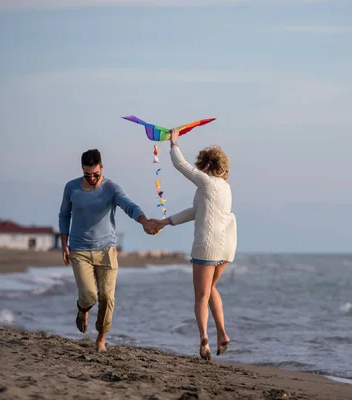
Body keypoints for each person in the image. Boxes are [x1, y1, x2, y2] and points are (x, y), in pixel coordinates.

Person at [149, 128, 237, 360]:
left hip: (207, 247)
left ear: (206, 165)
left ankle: (204, 341)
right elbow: (194, 212)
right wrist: (165, 222)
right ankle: (222, 334)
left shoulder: (207, 183)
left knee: (200, 295)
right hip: (226, 247)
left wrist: (174, 143)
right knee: (211, 290)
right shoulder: (223, 188)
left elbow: (182, 166)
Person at [58, 148, 155, 352]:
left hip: (106, 250)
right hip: (79, 249)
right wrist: (64, 242)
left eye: (96, 174)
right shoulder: (71, 188)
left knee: (107, 298)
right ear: (82, 170)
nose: (92, 178)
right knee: (89, 294)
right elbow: (64, 215)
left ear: (102, 167)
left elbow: (130, 206)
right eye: (87, 175)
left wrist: (144, 221)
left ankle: (101, 338)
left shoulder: (111, 188)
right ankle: (83, 308)